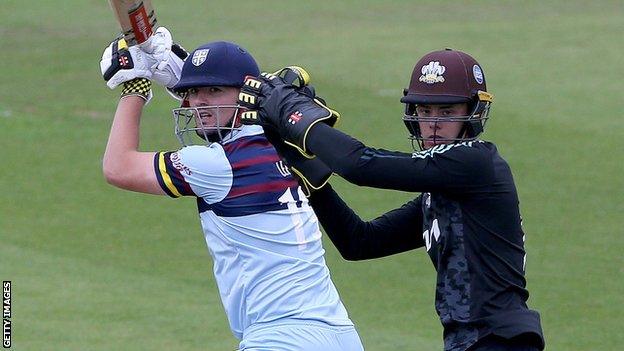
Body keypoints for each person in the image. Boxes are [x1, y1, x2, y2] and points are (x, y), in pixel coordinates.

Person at [237, 49, 545, 350]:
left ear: (473, 114)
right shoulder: (442, 195)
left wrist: (291, 111)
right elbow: (359, 242)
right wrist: (302, 163)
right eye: (425, 111)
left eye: (447, 112)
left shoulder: (476, 164)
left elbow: (360, 165)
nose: (434, 124)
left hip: (500, 340)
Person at [99, 27, 364, 351]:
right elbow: (229, 110)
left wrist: (135, 87)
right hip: (340, 335)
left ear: (244, 95)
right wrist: (173, 70)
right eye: (194, 92)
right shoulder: (279, 138)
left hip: (280, 340)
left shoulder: (216, 165)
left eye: (212, 90)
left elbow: (117, 167)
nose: (198, 102)